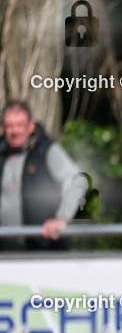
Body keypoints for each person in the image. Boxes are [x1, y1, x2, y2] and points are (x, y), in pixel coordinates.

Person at [0, 100, 88, 250]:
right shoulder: (2, 154)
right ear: (3, 127)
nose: (15, 131)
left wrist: (62, 218)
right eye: (9, 126)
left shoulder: (47, 151)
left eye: (20, 125)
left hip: (44, 252)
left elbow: (78, 180)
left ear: (31, 125)